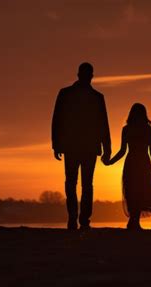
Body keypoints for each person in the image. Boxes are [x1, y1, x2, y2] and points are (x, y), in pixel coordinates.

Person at [51, 62, 111, 230]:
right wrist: (56, 144)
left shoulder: (71, 94)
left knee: (77, 183)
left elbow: (103, 124)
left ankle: (78, 219)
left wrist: (56, 144)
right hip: (81, 146)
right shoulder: (91, 97)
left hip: (79, 146)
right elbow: (57, 120)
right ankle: (79, 219)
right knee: (81, 183)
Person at [107, 103, 151, 230]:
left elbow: (122, 151)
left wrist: (111, 161)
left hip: (132, 162)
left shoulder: (127, 129)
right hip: (142, 163)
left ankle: (134, 221)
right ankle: (134, 221)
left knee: (132, 191)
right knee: (140, 191)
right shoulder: (147, 130)